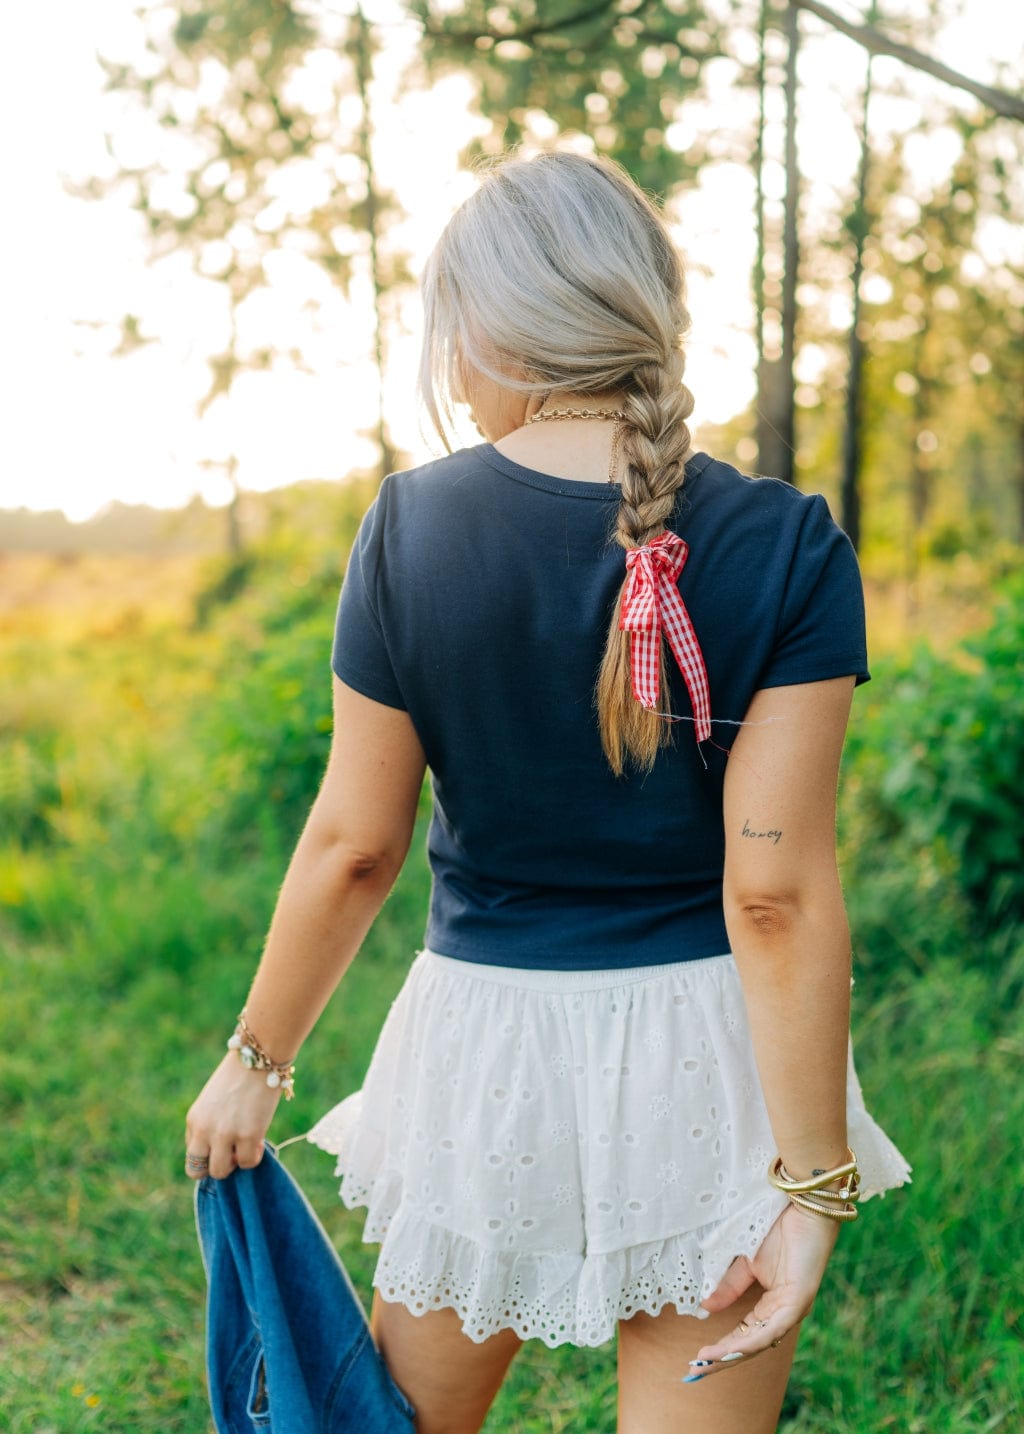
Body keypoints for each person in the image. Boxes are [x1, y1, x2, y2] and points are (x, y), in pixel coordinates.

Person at [185, 149, 909, 1434]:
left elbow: (356, 846)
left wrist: (258, 1061)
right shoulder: (787, 542)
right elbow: (776, 895)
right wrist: (810, 1186)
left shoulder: (410, 529)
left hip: (487, 1060)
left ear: (483, 330)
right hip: (711, 1063)